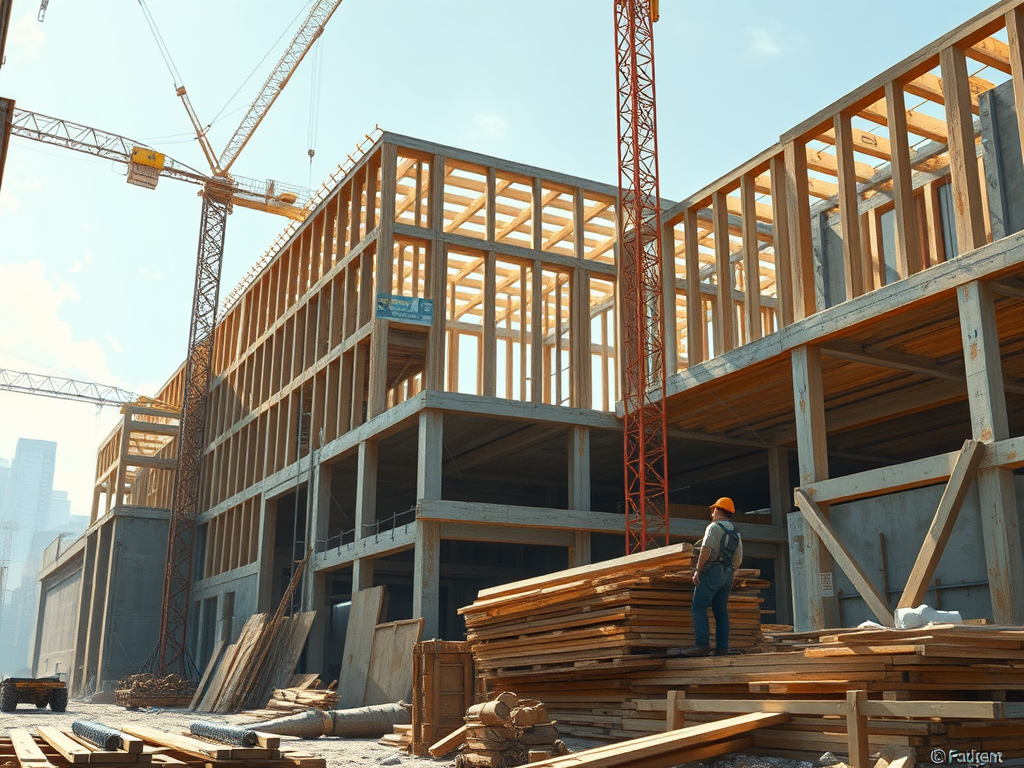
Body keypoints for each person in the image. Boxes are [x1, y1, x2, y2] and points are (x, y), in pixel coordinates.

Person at [675, 497, 743, 658]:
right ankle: (722, 648)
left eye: (713, 510)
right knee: (721, 611)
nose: (711, 513)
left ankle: (702, 646)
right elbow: (738, 558)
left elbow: (706, 549)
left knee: (698, 606)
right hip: (727, 573)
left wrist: (698, 570)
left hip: (713, 571)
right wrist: (731, 574)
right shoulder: (736, 533)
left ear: (719, 510)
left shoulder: (714, 527)